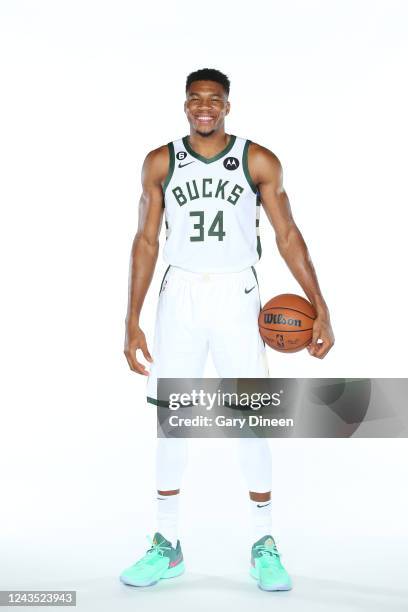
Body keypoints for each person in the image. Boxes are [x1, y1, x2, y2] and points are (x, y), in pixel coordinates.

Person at [121, 68, 335, 591]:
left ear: (227, 106)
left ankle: (264, 542)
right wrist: (131, 318)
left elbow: (287, 233)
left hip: (238, 294)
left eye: (213, 100)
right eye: (195, 99)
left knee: (249, 420)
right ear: (185, 104)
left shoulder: (257, 160)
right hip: (181, 296)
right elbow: (146, 241)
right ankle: (166, 544)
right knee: (175, 422)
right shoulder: (160, 161)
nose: (204, 107)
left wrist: (320, 305)